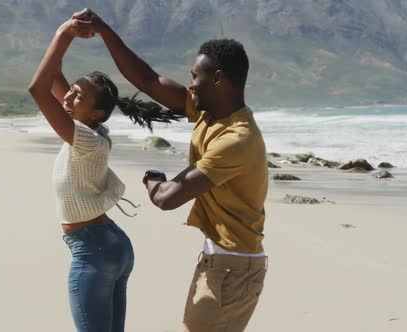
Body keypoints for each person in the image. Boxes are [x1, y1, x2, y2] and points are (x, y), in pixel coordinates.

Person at [72, 9, 269, 332]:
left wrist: (153, 180)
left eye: (195, 76)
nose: (191, 84)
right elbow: (148, 81)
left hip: (233, 269)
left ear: (218, 79)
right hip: (222, 261)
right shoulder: (211, 113)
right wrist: (105, 31)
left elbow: (167, 198)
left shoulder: (237, 138)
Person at [27, 19, 182, 332]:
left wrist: (62, 35)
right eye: (69, 93)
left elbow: (38, 89)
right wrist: (67, 32)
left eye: (77, 98)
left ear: (97, 113)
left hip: (94, 251)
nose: (68, 99)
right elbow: (53, 75)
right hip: (108, 246)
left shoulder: (84, 139)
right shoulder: (89, 131)